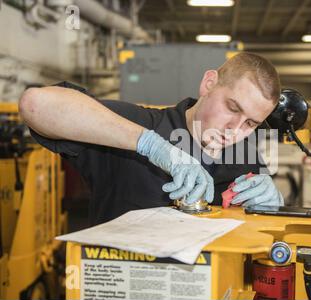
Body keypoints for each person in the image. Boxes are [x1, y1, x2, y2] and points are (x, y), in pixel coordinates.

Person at [19, 52, 284, 226]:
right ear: (209, 83)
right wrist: (151, 145)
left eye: (250, 123)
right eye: (233, 108)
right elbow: (36, 105)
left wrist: (273, 210)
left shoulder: (248, 159)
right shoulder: (141, 125)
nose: (234, 129)